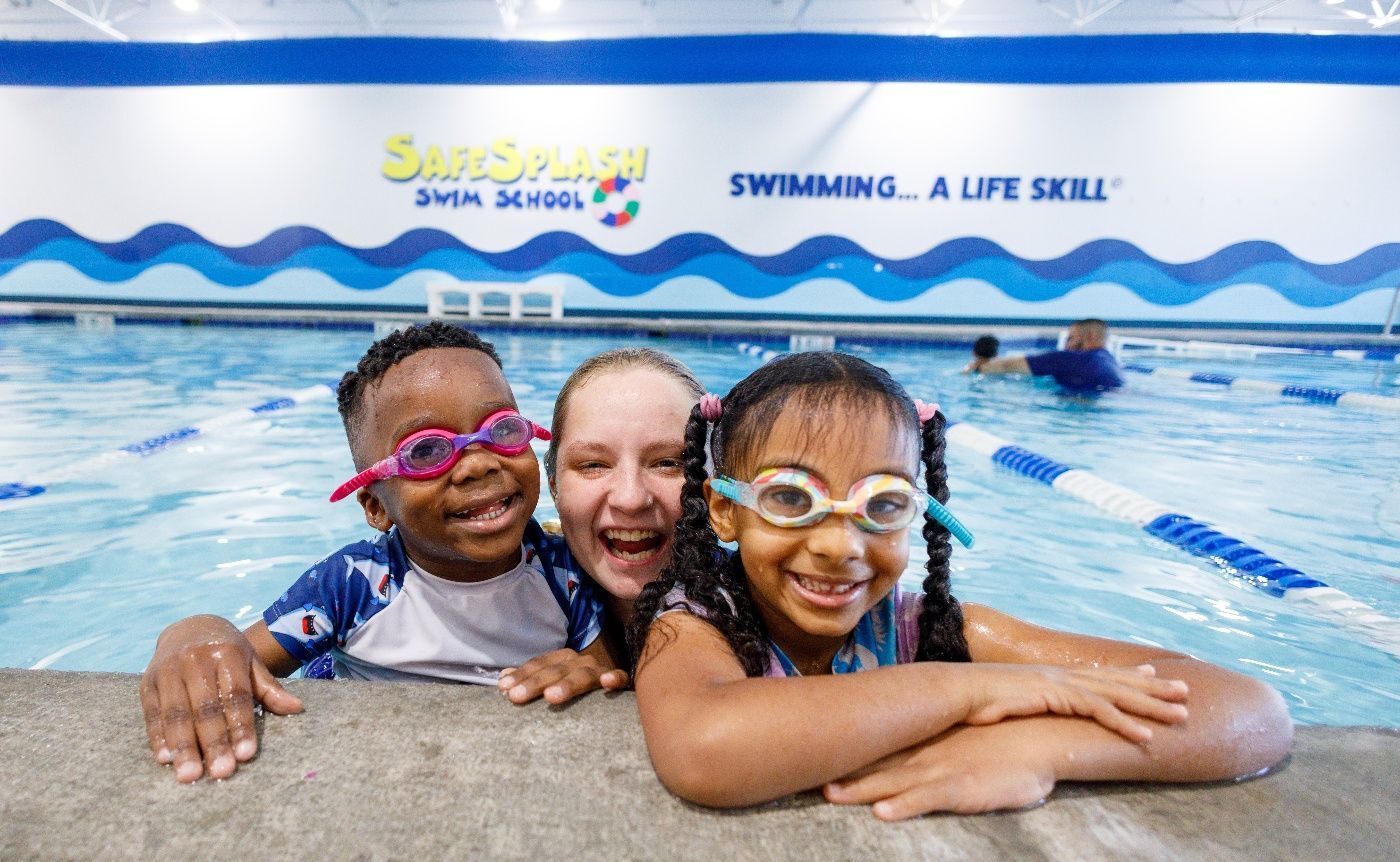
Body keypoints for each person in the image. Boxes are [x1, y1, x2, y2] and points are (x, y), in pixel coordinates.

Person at [628, 351, 1291, 818]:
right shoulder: (693, 622)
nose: (839, 545)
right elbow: (704, 749)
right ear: (726, 511)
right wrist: (970, 688)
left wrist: (1033, 746)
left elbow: (1248, 712)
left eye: (883, 504)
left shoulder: (930, 629)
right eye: (790, 499)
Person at [140, 322, 618, 783]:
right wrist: (194, 631)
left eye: (503, 429)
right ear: (375, 506)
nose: (478, 464)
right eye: (426, 452)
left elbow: (603, 661)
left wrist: (594, 667)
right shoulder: (353, 584)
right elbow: (240, 657)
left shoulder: (564, 572)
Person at [494, 347, 703, 703]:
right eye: (593, 464)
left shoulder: (760, 603)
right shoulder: (516, 592)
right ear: (554, 485)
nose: (630, 498)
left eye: (668, 462)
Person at [966, 318, 1123, 392]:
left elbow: (1008, 365)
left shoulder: (1072, 359)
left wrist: (977, 368)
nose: (1067, 345)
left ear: (1091, 336)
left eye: (1071, 338)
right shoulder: (1110, 361)